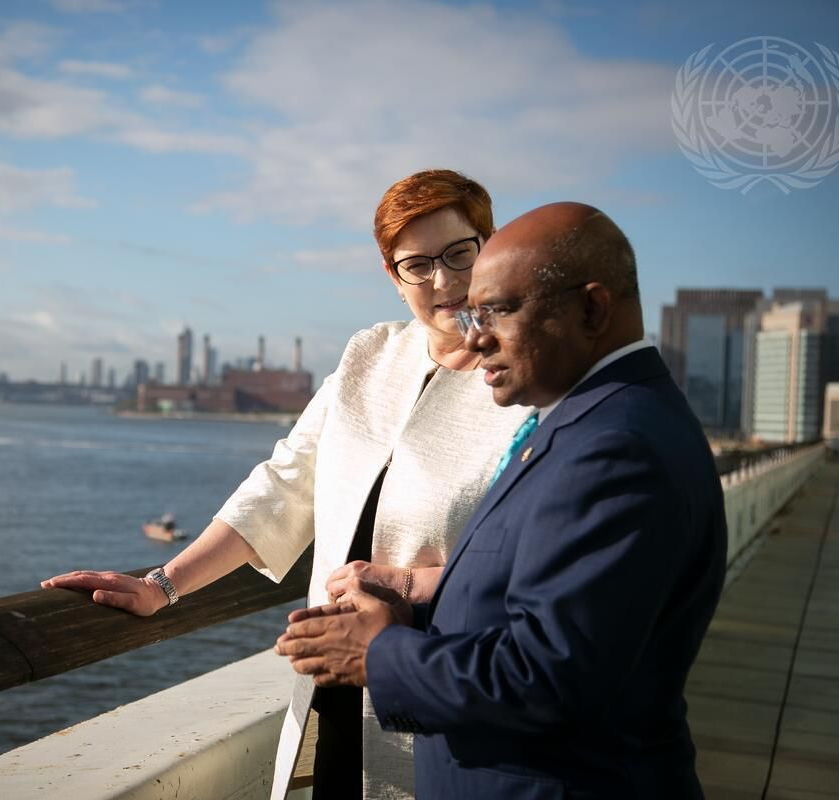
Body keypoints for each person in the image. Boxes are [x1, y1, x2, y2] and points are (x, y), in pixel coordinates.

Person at [40, 170, 530, 799]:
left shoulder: (528, 383)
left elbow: (531, 552)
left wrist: (413, 588)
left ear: (490, 245)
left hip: (445, 677)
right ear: (392, 275)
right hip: (336, 677)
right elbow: (284, 485)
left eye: (460, 253)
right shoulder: (370, 355)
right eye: (417, 264)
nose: (443, 281)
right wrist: (161, 585)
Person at [276, 202, 727, 798]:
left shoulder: (615, 449)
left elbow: (549, 677)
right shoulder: (586, 422)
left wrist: (377, 652)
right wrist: (416, 608)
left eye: (499, 311)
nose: (476, 336)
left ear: (592, 308)